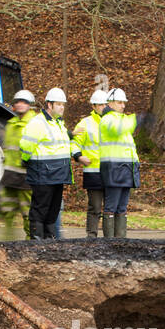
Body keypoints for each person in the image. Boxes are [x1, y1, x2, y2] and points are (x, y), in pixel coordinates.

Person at [19, 87, 84, 240]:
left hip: (58, 174)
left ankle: (50, 241)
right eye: (59, 104)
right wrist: (27, 161)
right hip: (43, 173)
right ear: (49, 105)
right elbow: (26, 146)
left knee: (53, 210)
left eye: (63, 104)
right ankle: (37, 241)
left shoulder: (59, 124)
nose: (62, 107)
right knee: (40, 209)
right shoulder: (38, 123)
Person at [98, 88, 139, 239]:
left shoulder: (122, 119)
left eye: (124, 102)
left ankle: (120, 240)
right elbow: (118, 130)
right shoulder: (108, 119)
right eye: (120, 102)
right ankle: (110, 242)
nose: (123, 105)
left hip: (125, 168)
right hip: (114, 169)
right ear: (110, 103)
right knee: (111, 207)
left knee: (122, 207)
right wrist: (136, 119)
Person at [72, 89, 108, 238]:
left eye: (106, 104)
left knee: (110, 209)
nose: (104, 107)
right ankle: (91, 237)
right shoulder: (85, 123)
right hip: (93, 172)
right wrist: (79, 156)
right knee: (95, 207)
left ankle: (110, 238)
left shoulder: (114, 122)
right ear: (93, 106)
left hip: (112, 171)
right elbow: (74, 143)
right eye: (100, 105)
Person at [1, 90, 36, 239]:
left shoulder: (34, 123)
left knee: (27, 212)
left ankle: (30, 242)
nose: (20, 105)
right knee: (7, 211)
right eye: (18, 102)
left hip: (26, 177)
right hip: (10, 176)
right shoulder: (11, 124)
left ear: (29, 105)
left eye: (24, 102)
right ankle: (7, 243)